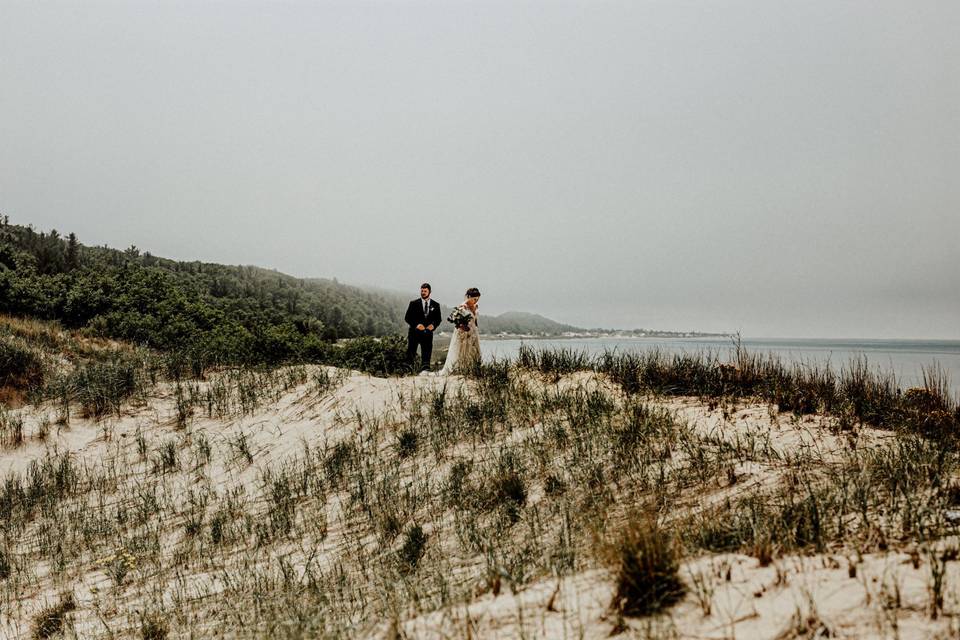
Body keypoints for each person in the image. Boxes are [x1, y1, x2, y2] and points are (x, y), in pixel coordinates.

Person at [437, 287, 481, 376]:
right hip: (463, 332)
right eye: (474, 299)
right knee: (461, 350)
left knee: (473, 350)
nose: (475, 301)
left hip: (473, 332)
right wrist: (462, 326)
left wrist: (475, 330)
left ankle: (472, 369)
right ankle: (460, 369)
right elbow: (456, 322)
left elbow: (475, 321)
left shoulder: (476, 306)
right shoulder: (462, 307)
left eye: (477, 299)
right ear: (469, 297)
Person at [405, 283, 442, 372]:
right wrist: (417, 325)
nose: (423, 293)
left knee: (427, 353)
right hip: (414, 333)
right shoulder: (413, 303)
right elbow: (407, 318)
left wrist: (433, 325)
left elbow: (438, 319)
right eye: (422, 291)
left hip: (428, 334)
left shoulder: (436, 305)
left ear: (430, 292)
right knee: (411, 352)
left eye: (425, 291)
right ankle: (409, 371)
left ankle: (425, 371)